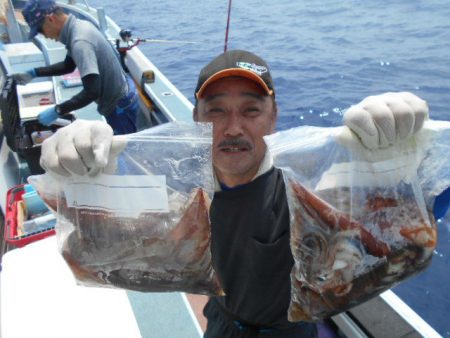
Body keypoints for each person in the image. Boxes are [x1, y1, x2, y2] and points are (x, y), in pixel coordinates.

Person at [39, 50, 443, 337]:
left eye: (251, 110)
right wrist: (82, 172)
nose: (233, 128)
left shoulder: (312, 189)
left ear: (274, 116)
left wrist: (402, 150)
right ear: (195, 118)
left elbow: (422, 210)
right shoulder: (175, 190)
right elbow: (85, 247)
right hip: (222, 321)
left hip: (291, 331)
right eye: (216, 110)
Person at [10, 0, 138, 135]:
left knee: (126, 150)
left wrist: (57, 110)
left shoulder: (80, 42)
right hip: (123, 91)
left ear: (50, 19)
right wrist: (34, 73)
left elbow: (92, 91)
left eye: (41, 31)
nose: (45, 36)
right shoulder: (78, 26)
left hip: (119, 105)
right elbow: (68, 66)